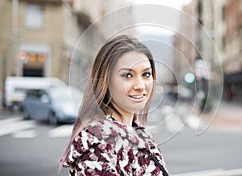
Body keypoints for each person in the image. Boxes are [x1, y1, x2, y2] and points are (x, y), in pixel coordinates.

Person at [60, 35, 169, 176]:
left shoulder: (140, 135)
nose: (141, 86)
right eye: (128, 75)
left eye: (146, 74)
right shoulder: (97, 147)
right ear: (106, 81)